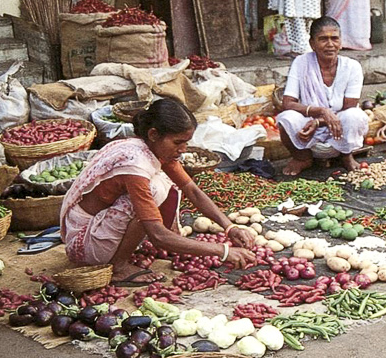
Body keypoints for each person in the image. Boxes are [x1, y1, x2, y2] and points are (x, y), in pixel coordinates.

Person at [60, 99, 256, 285]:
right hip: (85, 245)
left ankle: (159, 245)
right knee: (156, 188)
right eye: (178, 142)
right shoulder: (135, 163)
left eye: (186, 142)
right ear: (154, 134)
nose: (183, 149)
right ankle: (118, 267)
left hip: (98, 229)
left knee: (166, 185)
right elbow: (157, 236)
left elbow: (191, 190)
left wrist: (229, 228)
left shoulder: (154, 149)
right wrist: (222, 251)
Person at [276, 16, 370, 176]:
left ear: (340, 42)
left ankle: (346, 155)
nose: (330, 44)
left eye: (334, 38)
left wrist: (319, 122)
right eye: (323, 39)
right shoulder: (301, 63)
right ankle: (302, 158)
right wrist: (321, 112)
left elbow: (349, 107)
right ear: (312, 44)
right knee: (286, 118)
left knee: (354, 116)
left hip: (338, 126)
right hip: (307, 128)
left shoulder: (352, 67)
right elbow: (288, 103)